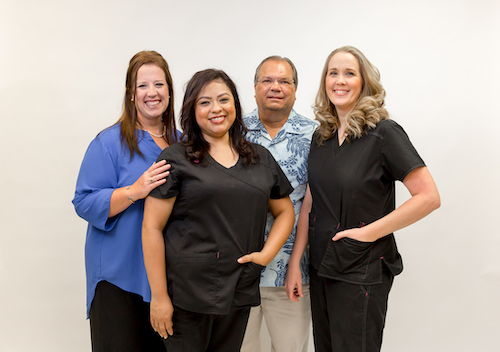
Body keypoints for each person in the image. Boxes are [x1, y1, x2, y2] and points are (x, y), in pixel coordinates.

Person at [285, 46, 441, 352]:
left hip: (362, 267)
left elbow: (428, 197)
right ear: (324, 82)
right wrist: (295, 263)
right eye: (333, 73)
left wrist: (366, 234)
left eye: (349, 73)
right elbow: (311, 203)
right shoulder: (322, 137)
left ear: (364, 82)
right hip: (321, 266)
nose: (339, 81)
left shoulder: (384, 133)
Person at [142, 69, 296, 352]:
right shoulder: (176, 158)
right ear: (192, 109)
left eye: (223, 100)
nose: (216, 109)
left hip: (238, 287)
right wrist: (159, 296)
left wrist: (265, 256)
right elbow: (151, 227)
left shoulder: (259, 158)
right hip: (185, 294)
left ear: (235, 105)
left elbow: (285, 211)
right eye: (205, 102)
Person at [72, 50, 178, 352]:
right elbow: (84, 201)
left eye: (159, 84)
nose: (151, 93)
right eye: (142, 86)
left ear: (169, 91)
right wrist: (134, 190)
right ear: (131, 94)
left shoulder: (182, 142)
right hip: (119, 277)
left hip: (168, 279)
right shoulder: (109, 142)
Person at [241, 56, 317, 352]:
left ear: (296, 90)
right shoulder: (233, 132)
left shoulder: (316, 136)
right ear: (255, 87)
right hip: (239, 272)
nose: (276, 87)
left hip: (293, 273)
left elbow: (316, 202)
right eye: (267, 80)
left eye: (284, 81)